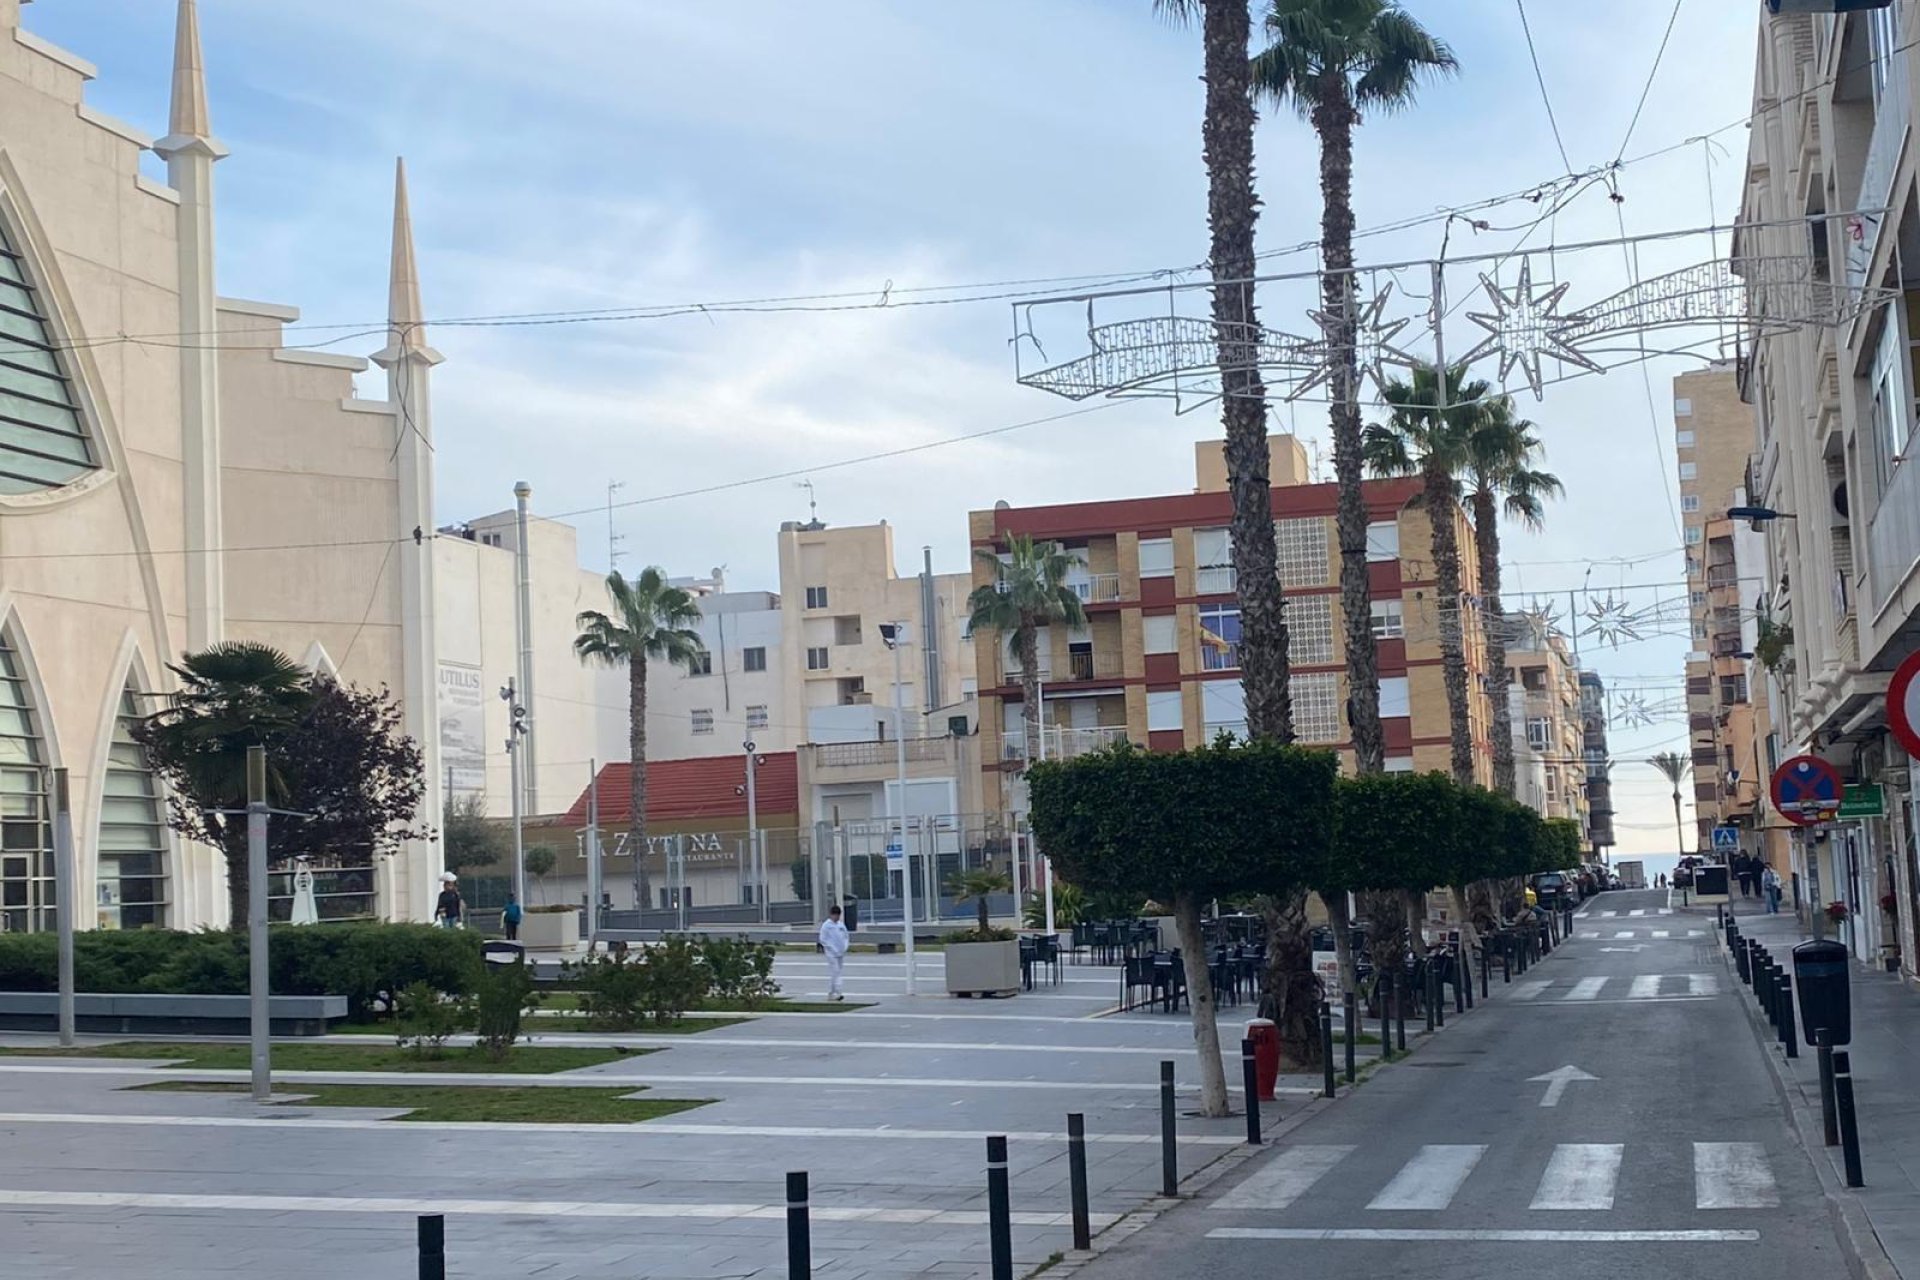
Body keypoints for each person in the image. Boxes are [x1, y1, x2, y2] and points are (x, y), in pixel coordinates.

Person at [818, 904, 850, 1002]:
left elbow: (846, 937)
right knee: (836, 971)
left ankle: (831, 993)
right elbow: (823, 939)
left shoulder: (841, 925)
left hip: (840, 953)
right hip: (831, 954)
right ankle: (839, 992)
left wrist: (845, 947)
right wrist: (832, 948)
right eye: (835, 915)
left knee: (836, 973)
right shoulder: (826, 925)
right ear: (831, 915)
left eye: (838, 915)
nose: (837, 917)